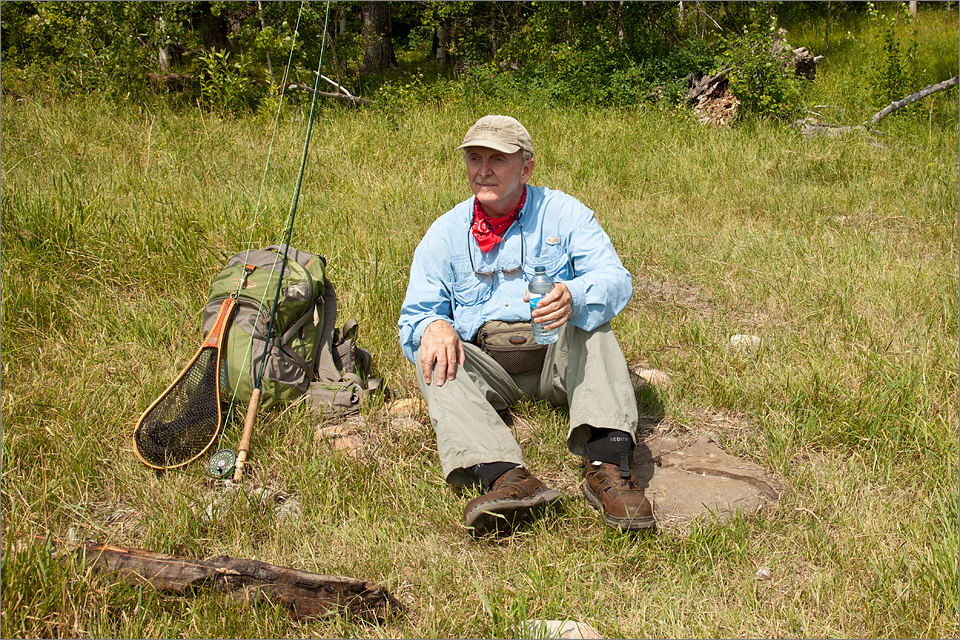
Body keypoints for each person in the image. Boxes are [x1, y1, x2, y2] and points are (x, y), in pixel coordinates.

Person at [398, 115, 653, 536]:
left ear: (526, 167)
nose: (483, 170)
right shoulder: (444, 233)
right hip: (488, 369)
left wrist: (575, 295)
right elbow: (415, 314)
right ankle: (507, 478)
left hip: (557, 360)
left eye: (497, 159)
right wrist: (433, 326)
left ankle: (608, 467)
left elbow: (615, 280)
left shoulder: (564, 213)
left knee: (595, 327)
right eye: (474, 158)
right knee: (435, 354)